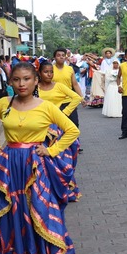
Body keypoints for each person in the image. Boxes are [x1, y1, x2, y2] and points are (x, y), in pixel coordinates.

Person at [0, 62, 80, 254]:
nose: (21, 84)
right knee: (14, 216)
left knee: (40, 214)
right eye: (16, 79)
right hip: (10, 167)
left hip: (36, 168)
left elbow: (72, 130)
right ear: (10, 82)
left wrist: (51, 151)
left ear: (35, 82)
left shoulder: (46, 107)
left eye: (26, 79)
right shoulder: (4, 104)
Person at [37, 59, 83, 201]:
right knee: (43, 160)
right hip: (39, 127)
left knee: (61, 159)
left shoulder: (58, 86)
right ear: (39, 73)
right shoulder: (34, 87)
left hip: (57, 127)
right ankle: (47, 190)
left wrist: (64, 113)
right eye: (46, 72)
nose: (49, 75)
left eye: (51, 72)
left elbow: (76, 97)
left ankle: (66, 190)